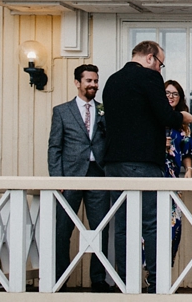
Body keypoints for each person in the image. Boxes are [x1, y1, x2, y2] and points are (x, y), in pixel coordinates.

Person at [102, 41, 192, 293]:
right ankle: (155, 283)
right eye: (161, 64)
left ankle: (126, 281)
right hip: (142, 161)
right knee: (151, 222)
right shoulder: (149, 78)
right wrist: (182, 118)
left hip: (113, 163)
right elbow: (165, 114)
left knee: (121, 225)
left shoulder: (112, 80)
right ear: (151, 58)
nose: (160, 70)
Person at [47, 64, 111, 292]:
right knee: (63, 230)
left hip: (98, 174)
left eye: (95, 80)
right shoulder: (62, 111)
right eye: (89, 81)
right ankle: (60, 278)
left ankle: (98, 279)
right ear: (77, 82)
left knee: (99, 228)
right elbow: (54, 147)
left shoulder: (105, 110)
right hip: (70, 177)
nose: (93, 85)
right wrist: (58, 180)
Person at [164, 80, 192, 262]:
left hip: (174, 178)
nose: (170, 96)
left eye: (174, 94)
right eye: (167, 93)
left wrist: (189, 169)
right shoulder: (155, 119)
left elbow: (187, 151)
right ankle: (149, 273)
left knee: (173, 225)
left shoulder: (183, 125)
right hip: (154, 175)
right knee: (150, 225)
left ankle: (165, 268)